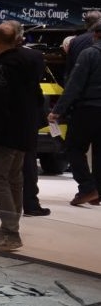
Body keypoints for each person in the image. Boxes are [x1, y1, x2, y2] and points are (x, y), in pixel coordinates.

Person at [0, 21, 43, 251]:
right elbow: (38, 98)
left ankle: (11, 232)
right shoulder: (32, 61)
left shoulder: (3, 67)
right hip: (25, 130)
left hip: (6, 133)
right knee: (14, 178)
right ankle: (9, 225)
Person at [48, 19, 101, 207]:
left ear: (96, 34)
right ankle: (97, 192)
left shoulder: (89, 54)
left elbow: (74, 85)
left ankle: (87, 188)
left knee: (73, 148)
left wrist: (58, 110)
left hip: (88, 109)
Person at [14, 22, 52, 217]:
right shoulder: (35, 56)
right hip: (29, 115)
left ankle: (8, 206)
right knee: (28, 161)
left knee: (5, 164)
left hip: (6, 116)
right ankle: (30, 203)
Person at [65, 11, 101, 81]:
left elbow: (69, 68)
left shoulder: (74, 41)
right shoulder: (97, 39)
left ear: (85, 24)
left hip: (78, 81)